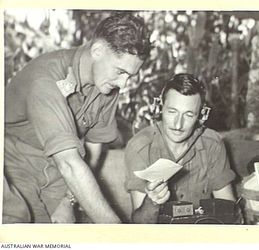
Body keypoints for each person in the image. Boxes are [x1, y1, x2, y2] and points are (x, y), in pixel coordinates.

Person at [3, 12, 151, 223]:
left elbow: (94, 147)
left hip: (59, 172)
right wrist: (117, 233)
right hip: (14, 166)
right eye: (120, 72)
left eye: (130, 76)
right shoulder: (45, 79)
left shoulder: (106, 84)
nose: (123, 84)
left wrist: (67, 201)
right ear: (97, 50)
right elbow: (69, 164)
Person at [125, 73, 236, 223]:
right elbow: (139, 224)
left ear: (201, 116)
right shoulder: (140, 147)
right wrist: (152, 203)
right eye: (172, 112)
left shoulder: (212, 144)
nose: (178, 124)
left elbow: (228, 211)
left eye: (189, 115)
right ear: (160, 108)